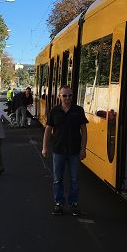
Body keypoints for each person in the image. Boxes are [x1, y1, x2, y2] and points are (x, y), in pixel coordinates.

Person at [41, 85, 88, 217]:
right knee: (57, 179)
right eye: (65, 95)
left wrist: (83, 149)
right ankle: (59, 204)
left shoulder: (78, 110)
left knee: (74, 179)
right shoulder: (54, 111)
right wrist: (44, 147)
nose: (68, 98)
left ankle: (74, 204)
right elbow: (48, 130)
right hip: (58, 150)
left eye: (70, 95)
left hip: (74, 151)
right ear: (59, 97)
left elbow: (84, 131)